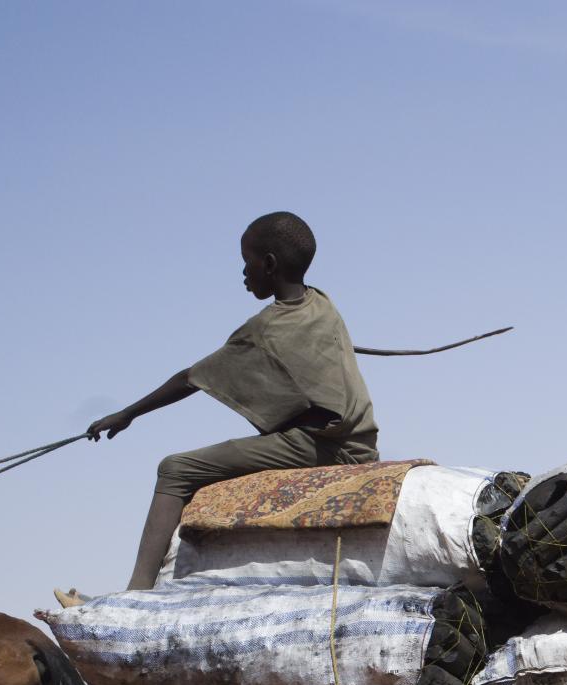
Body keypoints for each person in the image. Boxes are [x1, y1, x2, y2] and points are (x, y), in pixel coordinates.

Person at [61, 211, 378, 600]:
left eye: (247, 264)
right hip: (360, 440)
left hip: (327, 447)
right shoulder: (323, 304)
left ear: (269, 264)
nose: (243, 274)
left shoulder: (265, 327)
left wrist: (127, 413)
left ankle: (135, 595)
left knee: (175, 469)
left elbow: (191, 377)